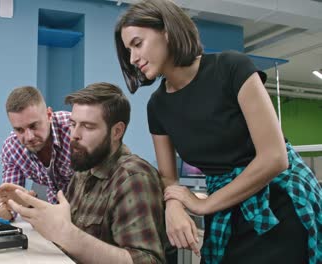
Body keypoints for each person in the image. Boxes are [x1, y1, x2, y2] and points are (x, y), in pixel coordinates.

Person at [115, 0, 322, 263]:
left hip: (277, 204)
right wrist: (174, 206)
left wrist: (203, 205)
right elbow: (168, 178)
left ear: (167, 31)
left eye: (137, 43)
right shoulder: (157, 106)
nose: (132, 58)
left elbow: (274, 158)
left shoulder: (232, 67)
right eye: (128, 50)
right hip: (226, 211)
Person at [6, 82, 169, 263]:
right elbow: (65, 229)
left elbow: (147, 260)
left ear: (116, 131)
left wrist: (67, 235)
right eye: (73, 124)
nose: (74, 135)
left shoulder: (133, 178)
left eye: (88, 126)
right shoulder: (84, 171)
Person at [0, 86, 73, 221]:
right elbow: (11, 207)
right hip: (58, 222)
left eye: (34, 126)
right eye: (19, 130)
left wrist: (30, 203)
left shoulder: (73, 130)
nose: (28, 137)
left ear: (49, 115)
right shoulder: (12, 149)